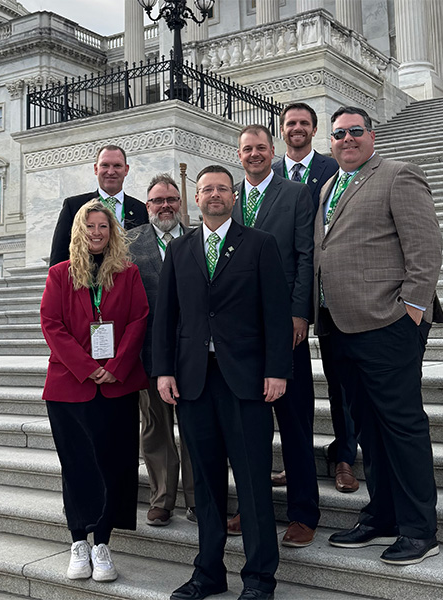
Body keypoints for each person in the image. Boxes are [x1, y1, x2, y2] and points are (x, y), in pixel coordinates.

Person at [153, 165, 292, 600]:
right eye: (206, 189)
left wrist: (277, 370)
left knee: (252, 483)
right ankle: (208, 572)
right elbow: (167, 317)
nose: (214, 195)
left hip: (246, 381)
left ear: (234, 197)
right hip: (194, 382)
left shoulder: (260, 245)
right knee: (207, 485)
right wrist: (163, 370)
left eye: (221, 189)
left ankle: (259, 578)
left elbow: (275, 312)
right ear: (196, 198)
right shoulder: (179, 250)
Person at [315, 106, 443, 566]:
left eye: (355, 131)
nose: (346, 139)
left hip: (387, 325)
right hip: (340, 326)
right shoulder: (331, 185)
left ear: (371, 135)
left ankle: (418, 527)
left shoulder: (398, 175)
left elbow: (425, 247)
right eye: (338, 134)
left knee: (401, 425)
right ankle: (383, 513)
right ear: (329, 143)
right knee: (368, 425)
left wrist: (410, 309)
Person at [40, 199, 150, 582]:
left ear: (113, 231)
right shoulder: (60, 274)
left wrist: (115, 367)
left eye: (103, 226)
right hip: (70, 388)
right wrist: (89, 369)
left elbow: (139, 319)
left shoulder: (128, 273)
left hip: (118, 386)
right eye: (90, 227)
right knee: (77, 466)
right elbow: (52, 326)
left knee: (115, 465)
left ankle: (102, 542)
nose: (97, 233)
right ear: (79, 232)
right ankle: (78, 542)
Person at [227, 124, 319, 549]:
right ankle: (252, 506)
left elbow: (305, 257)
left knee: (295, 424)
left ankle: (303, 513)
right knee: (250, 429)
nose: (254, 155)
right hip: (242, 336)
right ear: (239, 154)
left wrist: (300, 312)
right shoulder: (229, 199)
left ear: (273, 151)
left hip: (286, 329)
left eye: (261, 148)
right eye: (247, 149)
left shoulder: (297, 194)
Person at [271, 103, 359, 494]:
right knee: (294, 388)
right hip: (287, 294)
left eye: (304, 123)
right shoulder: (267, 174)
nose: (297, 129)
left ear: (314, 129)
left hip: (329, 291)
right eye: (291, 124)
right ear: (282, 130)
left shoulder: (332, 169)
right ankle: (297, 461)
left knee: (342, 379)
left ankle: (344, 457)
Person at [129, 173, 196, 526]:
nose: (165, 205)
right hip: (149, 354)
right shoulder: (128, 245)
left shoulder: (200, 239)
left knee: (195, 428)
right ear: (147, 206)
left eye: (171, 199)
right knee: (155, 428)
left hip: (195, 354)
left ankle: (198, 498)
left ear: (180, 204)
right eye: (157, 200)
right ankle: (161, 498)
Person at [49, 144, 148, 266]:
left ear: (126, 169)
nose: (111, 172)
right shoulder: (74, 206)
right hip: (85, 281)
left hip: (128, 281)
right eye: (105, 165)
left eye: (117, 165)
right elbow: (59, 254)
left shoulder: (141, 209)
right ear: (96, 169)